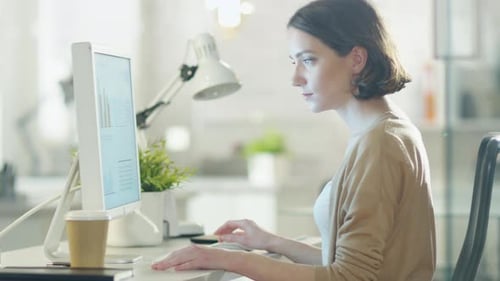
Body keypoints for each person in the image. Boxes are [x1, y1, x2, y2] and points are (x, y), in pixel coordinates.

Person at [152, 0, 436, 280]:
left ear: (356, 60)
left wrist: (228, 259)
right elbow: (346, 264)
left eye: (309, 60)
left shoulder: (380, 144)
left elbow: (349, 277)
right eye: (294, 62)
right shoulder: (386, 130)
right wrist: (271, 242)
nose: (296, 78)